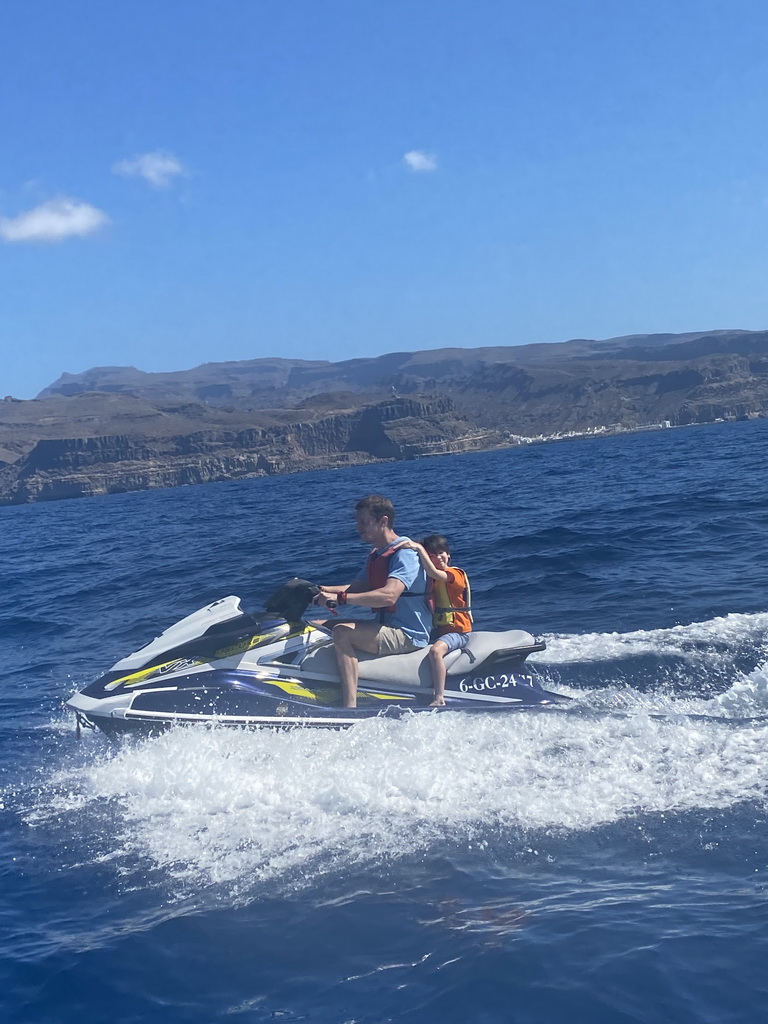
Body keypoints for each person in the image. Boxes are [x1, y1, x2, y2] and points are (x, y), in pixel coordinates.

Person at [315, 495, 431, 708]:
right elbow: (357, 587)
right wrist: (320, 590)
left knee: (341, 632)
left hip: (408, 633)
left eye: (363, 522)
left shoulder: (405, 554)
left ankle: (349, 706)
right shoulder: (378, 554)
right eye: (357, 522)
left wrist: (341, 598)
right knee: (316, 627)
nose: (358, 528)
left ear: (383, 521)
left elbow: (389, 595)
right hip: (386, 626)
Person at [393, 534, 472, 705]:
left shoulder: (454, 574)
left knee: (436, 652)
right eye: (432, 556)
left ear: (449, 554)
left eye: (441, 553)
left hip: (459, 632)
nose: (438, 558)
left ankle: (439, 697)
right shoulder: (431, 580)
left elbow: (433, 572)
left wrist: (419, 549)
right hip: (440, 629)